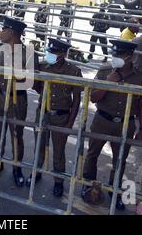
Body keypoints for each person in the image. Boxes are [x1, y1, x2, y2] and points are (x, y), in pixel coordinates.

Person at [82, 39, 142, 211]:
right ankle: (87, 184)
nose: (115, 57)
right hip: (102, 120)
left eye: (120, 55)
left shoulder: (140, 77)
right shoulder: (104, 72)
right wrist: (109, 82)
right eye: (114, 53)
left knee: (120, 160)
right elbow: (94, 98)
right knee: (92, 154)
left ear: (130, 57)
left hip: (126, 125)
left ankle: (115, 190)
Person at [0, 16, 37, 187]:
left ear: (12, 32)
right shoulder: (0, 48)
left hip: (18, 99)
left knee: (17, 135)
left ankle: (17, 168)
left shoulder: (29, 53)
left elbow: (32, 80)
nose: (1, 33)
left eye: (4, 29)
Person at [30, 38, 82, 197]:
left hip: (61, 116)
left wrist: (70, 123)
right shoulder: (44, 66)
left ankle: (58, 181)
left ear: (63, 54)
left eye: (54, 52)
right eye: (49, 51)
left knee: (59, 151)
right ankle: (36, 172)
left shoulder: (73, 71)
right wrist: (34, 74)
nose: (50, 54)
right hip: (43, 113)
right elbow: (37, 89)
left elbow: (77, 99)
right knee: (39, 145)